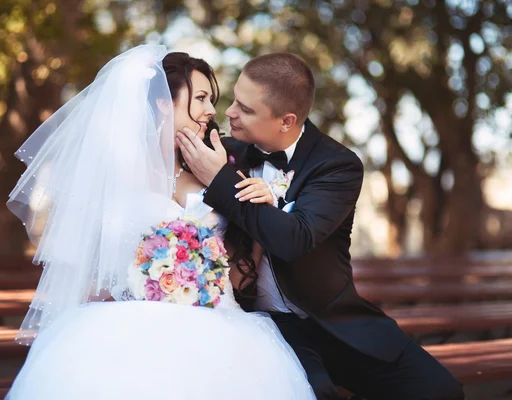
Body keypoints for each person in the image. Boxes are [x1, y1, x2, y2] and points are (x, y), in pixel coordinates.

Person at [4, 45, 316, 400]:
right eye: (200, 98)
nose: (212, 110)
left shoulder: (219, 167)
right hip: (134, 320)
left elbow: (244, 253)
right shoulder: (116, 173)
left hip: (224, 324)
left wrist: (257, 201)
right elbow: (92, 265)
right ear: (164, 103)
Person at [177, 52, 465, 400]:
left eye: (246, 109)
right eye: (235, 99)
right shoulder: (225, 151)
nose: (230, 112)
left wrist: (221, 181)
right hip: (264, 324)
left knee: (440, 391)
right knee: (314, 393)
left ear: (286, 121)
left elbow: (295, 240)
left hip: (335, 322)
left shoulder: (337, 166)